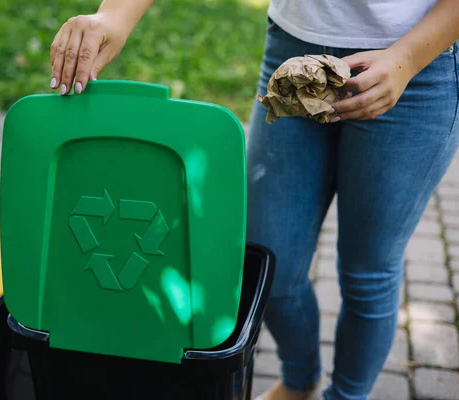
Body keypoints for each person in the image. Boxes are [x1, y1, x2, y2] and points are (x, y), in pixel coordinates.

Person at [48, 1, 459, 399]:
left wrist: (406, 59)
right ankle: (300, 381)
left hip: (417, 63)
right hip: (295, 50)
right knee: (268, 266)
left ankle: (348, 396)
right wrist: (113, 16)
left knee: (367, 272)